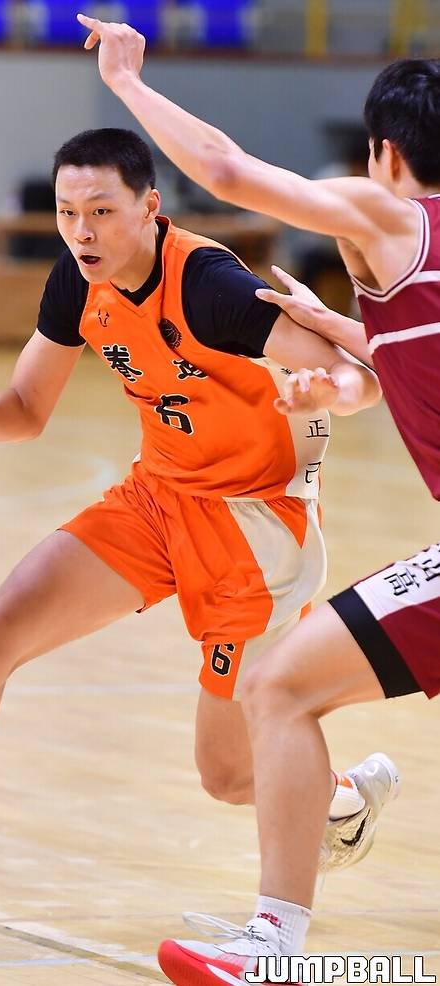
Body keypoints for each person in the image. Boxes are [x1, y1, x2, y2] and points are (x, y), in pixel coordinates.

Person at [0, 127, 382, 945]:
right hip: (158, 498)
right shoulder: (78, 280)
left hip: (254, 527)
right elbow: (24, 411)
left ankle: (341, 800)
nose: (82, 231)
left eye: (102, 210)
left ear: (149, 207)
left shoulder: (210, 286)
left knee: (225, 774)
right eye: (68, 211)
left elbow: (357, 373)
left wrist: (331, 394)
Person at [76, 15, 440, 984]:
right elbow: (405, 365)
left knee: (278, 687)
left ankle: (273, 947)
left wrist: (128, 84)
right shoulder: (410, 280)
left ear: (383, 154)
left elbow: (227, 171)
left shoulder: (392, 215)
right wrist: (346, 340)